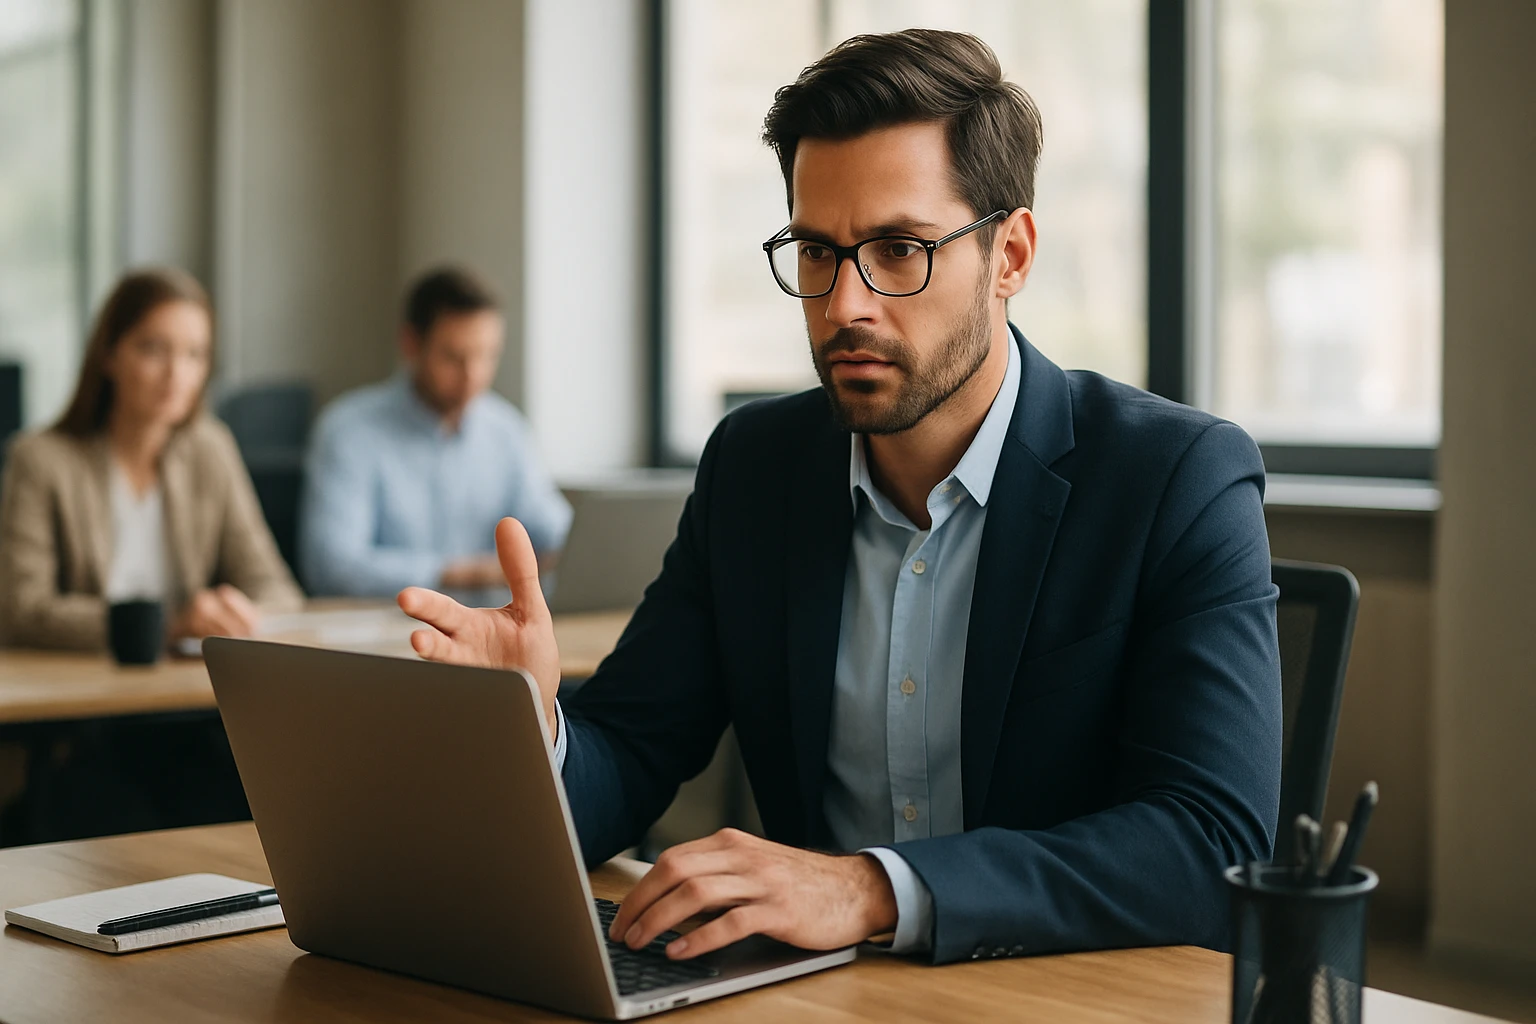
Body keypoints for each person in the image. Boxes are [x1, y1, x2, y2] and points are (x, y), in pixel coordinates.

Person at [399, 30, 1282, 965]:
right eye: (818, 252)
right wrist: (533, 725)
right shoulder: (754, 468)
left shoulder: (1177, 478)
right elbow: (625, 755)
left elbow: (1210, 845)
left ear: (1011, 254)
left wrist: (870, 888)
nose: (844, 305)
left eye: (899, 249)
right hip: (816, 997)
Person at [0, 267, 303, 651]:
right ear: (109, 354)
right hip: (81, 683)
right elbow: (23, 612)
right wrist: (166, 624)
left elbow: (276, 589)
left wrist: (232, 610)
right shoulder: (39, 459)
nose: (177, 374)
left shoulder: (211, 448)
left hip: (186, 686)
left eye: (195, 355)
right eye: (154, 349)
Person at [300, 266, 571, 599]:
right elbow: (333, 567)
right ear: (411, 344)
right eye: (454, 357)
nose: (473, 375)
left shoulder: (507, 431)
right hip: (392, 634)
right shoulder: (349, 432)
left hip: (494, 637)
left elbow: (553, 530)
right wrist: (462, 573)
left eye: (487, 355)